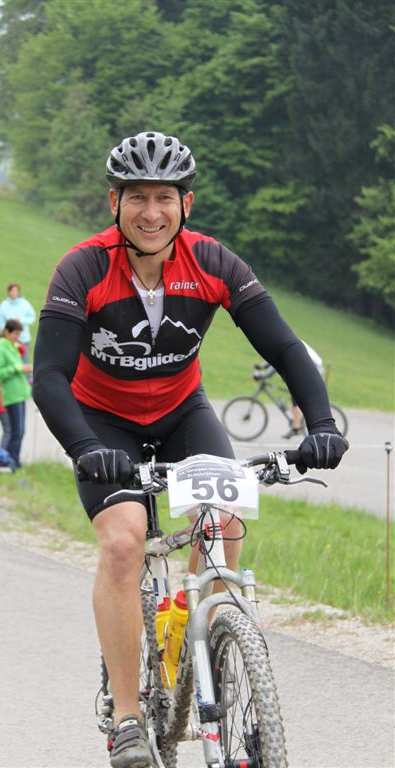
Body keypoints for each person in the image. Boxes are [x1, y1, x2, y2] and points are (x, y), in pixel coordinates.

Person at [32, 131, 349, 768]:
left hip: (183, 412)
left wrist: (321, 425)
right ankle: (128, 715)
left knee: (222, 522)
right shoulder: (83, 268)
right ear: (114, 203)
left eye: (165, 198)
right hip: (103, 423)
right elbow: (49, 377)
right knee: (124, 542)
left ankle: (210, 646)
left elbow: (285, 346)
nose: (151, 213)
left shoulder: (213, 263)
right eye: (137, 197)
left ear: (187, 204)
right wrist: (86, 446)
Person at [253, 340, 325, 438]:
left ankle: (296, 427)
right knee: (293, 388)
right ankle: (296, 421)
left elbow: (276, 363)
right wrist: (261, 366)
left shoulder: (285, 346)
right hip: (308, 365)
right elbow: (274, 358)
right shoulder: (284, 342)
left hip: (313, 368)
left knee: (296, 393)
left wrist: (262, 376)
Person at [0, 319, 32, 468]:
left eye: (19, 334)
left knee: (20, 431)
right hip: (11, 395)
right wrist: (16, 368)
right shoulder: (1, 348)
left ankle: (15, 460)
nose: (17, 337)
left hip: (20, 393)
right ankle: (11, 462)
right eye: (15, 333)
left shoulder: (13, 346)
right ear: (7, 332)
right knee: (16, 431)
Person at [0, 283, 36, 362]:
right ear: (8, 292)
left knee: (24, 361)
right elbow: (0, 321)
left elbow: (32, 318)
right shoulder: (4, 305)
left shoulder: (25, 304)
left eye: (15, 291)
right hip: (9, 340)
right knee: (10, 361)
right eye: (12, 291)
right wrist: (8, 329)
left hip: (23, 339)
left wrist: (21, 320)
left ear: (18, 292)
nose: (14, 293)